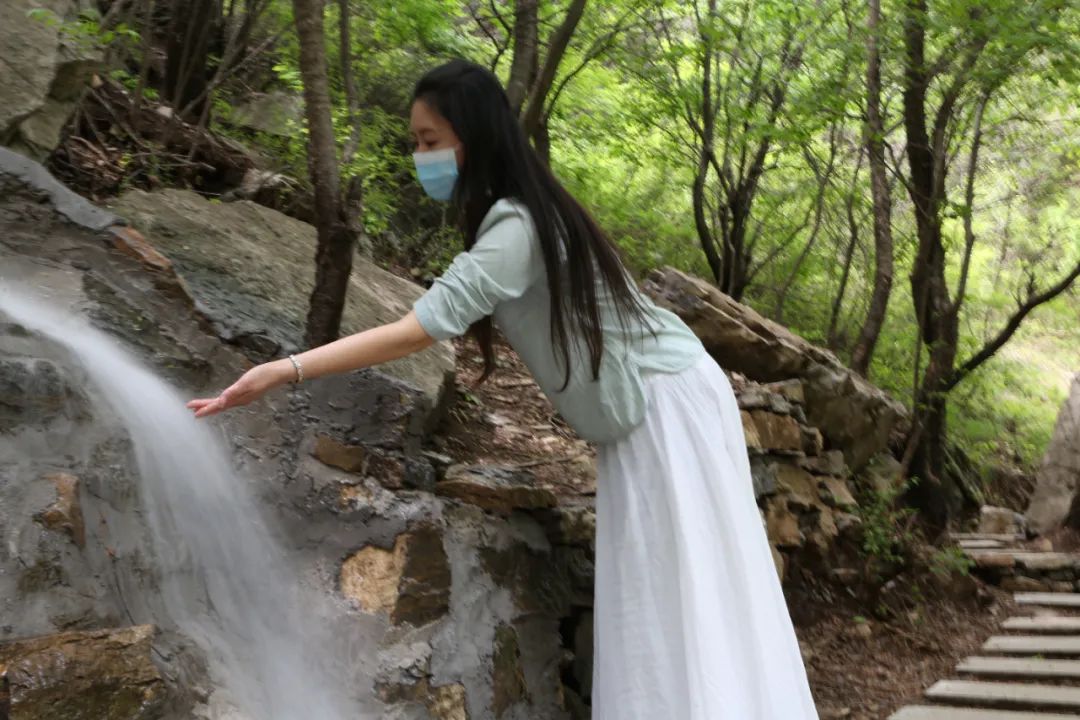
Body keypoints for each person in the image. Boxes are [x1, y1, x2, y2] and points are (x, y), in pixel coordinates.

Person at [187, 59, 819, 720]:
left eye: (429, 141)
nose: (419, 156)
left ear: (473, 137)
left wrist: (281, 371)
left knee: (684, 591)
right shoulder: (524, 217)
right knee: (676, 593)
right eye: (416, 143)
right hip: (662, 399)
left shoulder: (516, 229)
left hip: (664, 403)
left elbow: (415, 332)